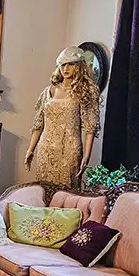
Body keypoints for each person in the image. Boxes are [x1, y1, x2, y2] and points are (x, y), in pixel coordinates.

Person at [25, 46, 100, 188]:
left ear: (79, 66)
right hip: (46, 148)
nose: (66, 69)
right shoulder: (50, 90)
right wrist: (30, 150)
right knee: (44, 191)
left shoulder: (85, 92)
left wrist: (86, 155)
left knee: (67, 192)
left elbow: (90, 127)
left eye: (71, 64)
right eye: (63, 65)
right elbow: (39, 123)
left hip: (70, 149)